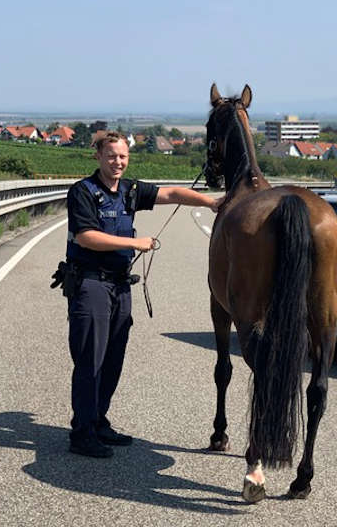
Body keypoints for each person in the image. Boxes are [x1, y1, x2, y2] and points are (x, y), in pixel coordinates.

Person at [57, 131, 220, 458]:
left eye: (123, 157)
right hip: (90, 284)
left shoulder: (130, 190)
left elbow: (172, 193)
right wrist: (135, 243)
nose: (118, 162)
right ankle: (82, 433)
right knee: (91, 359)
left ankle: (99, 419)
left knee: (113, 359)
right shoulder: (83, 192)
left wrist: (212, 202)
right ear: (98, 157)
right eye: (112, 156)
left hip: (120, 284)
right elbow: (87, 237)